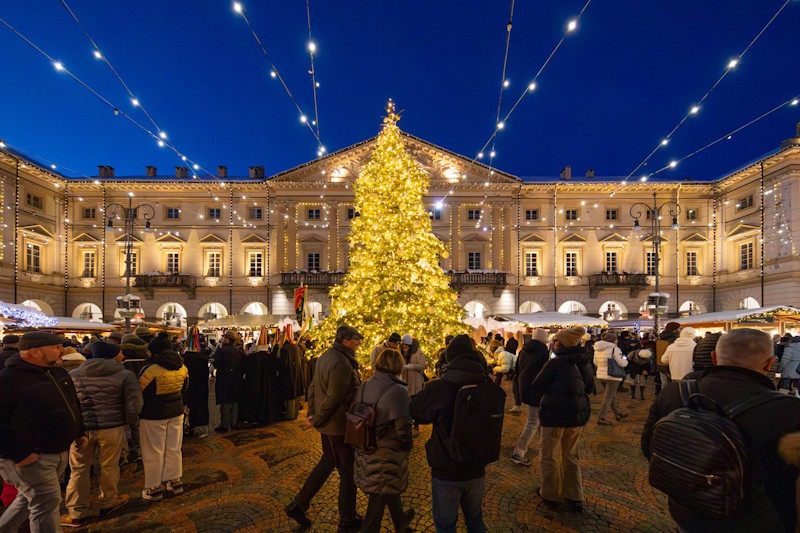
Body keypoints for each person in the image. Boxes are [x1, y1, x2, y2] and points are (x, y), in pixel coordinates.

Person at [642, 328, 800, 532]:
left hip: (685, 508)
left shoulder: (676, 392)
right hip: (754, 519)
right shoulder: (788, 410)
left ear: (714, 358)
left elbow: (649, 447)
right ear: (769, 363)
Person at [0, 331, 87, 532]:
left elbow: (71, 404)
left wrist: (79, 431)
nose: (62, 350)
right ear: (34, 352)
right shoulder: (8, 380)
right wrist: (19, 454)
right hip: (31, 455)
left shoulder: (58, 373)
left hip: (57, 451)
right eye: (56, 347)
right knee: (46, 503)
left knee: (28, 499)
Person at [410, 334, 496, 532]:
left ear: (450, 358)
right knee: (475, 519)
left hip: (447, 469)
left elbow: (416, 411)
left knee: (446, 525)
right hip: (477, 466)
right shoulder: (486, 383)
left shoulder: (440, 386)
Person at [285, 325, 363, 532]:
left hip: (328, 425)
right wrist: (317, 418)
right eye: (355, 339)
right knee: (348, 472)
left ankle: (299, 504)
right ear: (345, 340)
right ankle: (347, 518)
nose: (358, 343)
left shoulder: (326, 356)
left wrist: (313, 413)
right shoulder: (342, 362)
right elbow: (334, 397)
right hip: (337, 427)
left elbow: (313, 387)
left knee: (327, 462)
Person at [61, 341, 142, 527]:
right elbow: (134, 403)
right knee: (110, 466)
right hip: (112, 427)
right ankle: (108, 501)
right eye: (119, 353)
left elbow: (69, 404)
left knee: (78, 469)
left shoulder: (73, 375)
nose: (122, 355)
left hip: (82, 430)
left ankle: (76, 512)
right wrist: (128, 422)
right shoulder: (124, 374)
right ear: (112, 355)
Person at [528, 326, 593, 512]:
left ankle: (549, 493)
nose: (553, 344)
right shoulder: (584, 363)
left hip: (555, 414)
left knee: (550, 454)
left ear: (562, 344)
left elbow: (537, 384)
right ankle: (574, 494)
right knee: (571, 455)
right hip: (576, 415)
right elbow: (590, 387)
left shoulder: (555, 364)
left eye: (556, 341)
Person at [354, 348, 415, 533]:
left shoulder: (365, 385)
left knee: (386, 485)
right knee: (380, 492)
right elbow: (403, 427)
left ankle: (400, 522)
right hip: (386, 452)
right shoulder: (398, 391)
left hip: (366, 445)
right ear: (398, 365)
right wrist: (407, 445)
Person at [138, 332, 189, 501]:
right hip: (176, 412)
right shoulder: (182, 367)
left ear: (154, 352)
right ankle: (175, 482)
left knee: (154, 451)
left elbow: (139, 392)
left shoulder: (150, 370)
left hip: (153, 415)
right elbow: (185, 388)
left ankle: (153, 488)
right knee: (174, 448)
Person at [511, 328, 550, 466]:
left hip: (525, 388)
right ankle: (519, 452)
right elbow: (546, 373)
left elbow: (517, 370)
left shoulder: (524, 350)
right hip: (538, 389)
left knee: (539, 420)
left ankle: (546, 450)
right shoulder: (544, 352)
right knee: (533, 421)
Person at [593, 332, 629, 426]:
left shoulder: (597, 348)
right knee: (608, 397)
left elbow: (595, 362)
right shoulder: (615, 349)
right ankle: (601, 417)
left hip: (601, 375)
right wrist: (625, 361)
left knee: (611, 395)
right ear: (613, 340)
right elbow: (621, 362)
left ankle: (618, 413)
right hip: (613, 376)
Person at [213, 330, 245, 432]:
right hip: (237, 379)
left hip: (224, 380)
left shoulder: (221, 351)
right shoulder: (240, 353)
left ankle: (225, 424)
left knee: (225, 401)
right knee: (235, 400)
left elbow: (216, 363)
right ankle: (234, 422)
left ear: (227, 340)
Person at [400, 335, 426, 438]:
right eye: (403, 345)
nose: (404, 347)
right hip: (405, 381)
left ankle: (416, 425)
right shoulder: (400, 352)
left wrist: (411, 367)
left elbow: (423, 365)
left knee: (415, 403)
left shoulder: (417, 352)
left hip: (415, 381)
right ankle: (408, 424)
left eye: (406, 345)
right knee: (406, 403)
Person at [182, 339, 210, 437]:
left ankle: (186, 426)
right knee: (199, 407)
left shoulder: (182, 359)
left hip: (186, 388)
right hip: (200, 389)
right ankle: (197, 427)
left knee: (187, 407)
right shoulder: (202, 359)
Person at [655, 322, 681, 394]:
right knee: (674, 385)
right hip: (671, 365)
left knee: (664, 384)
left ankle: (664, 397)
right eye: (679, 328)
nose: (680, 330)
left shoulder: (660, 338)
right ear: (674, 330)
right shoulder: (675, 340)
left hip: (660, 364)